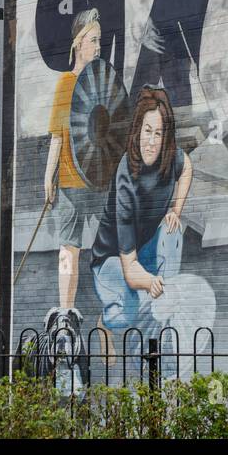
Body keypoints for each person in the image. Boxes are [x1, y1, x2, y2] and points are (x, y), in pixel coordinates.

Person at [91, 87, 193, 361]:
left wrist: (176, 209)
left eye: (158, 133)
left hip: (144, 248)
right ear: (137, 131)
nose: (151, 141)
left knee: (172, 231)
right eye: (147, 131)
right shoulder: (126, 179)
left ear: (165, 137)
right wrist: (150, 283)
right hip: (113, 259)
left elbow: (187, 168)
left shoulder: (170, 158)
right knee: (129, 313)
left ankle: (163, 321)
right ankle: (105, 321)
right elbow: (130, 270)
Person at [44, 8, 105, 319]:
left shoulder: (103, 83)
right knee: (69, 249)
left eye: (100, 41)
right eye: (93, 40)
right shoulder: (65, 85)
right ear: (79, 43)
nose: (98, 47)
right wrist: (48, 178)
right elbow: (57, 135)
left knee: (107, 245)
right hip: (69, 182)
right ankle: (66, 314)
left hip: (98, 182)